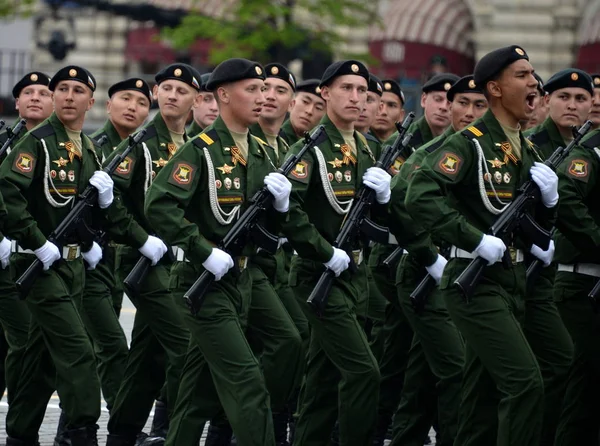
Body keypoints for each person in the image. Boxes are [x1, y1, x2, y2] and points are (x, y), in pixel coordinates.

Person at [405, 45, 557, 445]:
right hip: (476, 282)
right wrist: (473, 239)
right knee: (525, 384)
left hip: (514, 279)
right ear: (495, 88)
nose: (534, 82)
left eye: (533, 74)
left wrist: (551, 205)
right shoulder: (470, 143)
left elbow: (535, 221)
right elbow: (419, 194)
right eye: (522, 75)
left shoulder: (529, 147)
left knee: (482, 395)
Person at [144, 57, 298, 446]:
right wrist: (201, 249)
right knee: (247, 382)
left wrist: (281, 209)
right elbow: (159, 205)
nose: (263, 97)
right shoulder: (202, 150)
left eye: (265, 89)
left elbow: (272, 228)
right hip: (204, 282)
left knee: (199, 393)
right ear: (224, 95)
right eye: (253, 89)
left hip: (244, 279)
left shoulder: (262, 152)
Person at [0, 64, 114, 445]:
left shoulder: (90, 148)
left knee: (40, 358)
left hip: (72, 264)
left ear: (90, 101)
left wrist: (97, 224)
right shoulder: (37, 142)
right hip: (39, 263)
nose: (68, 96)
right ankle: (82, 431)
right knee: (78, 349)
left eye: (77, 90)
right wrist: (35, 240)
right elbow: (7, 195)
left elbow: (79, 211)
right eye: (61, 89)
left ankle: (20, 433)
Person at [282, 59, 390, 445]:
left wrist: (384, 199)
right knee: (364, 373)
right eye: (347, 88)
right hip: (318, 274)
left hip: (355, 276)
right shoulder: (311, 147)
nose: (356, 98)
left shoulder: (363, 146)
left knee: (324, 380)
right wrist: (322, 250)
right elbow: (287, 211)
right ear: (325, 93)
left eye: (362, 91)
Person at [382, 74, 487, 446]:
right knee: (457, 371)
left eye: (479, 105)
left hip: (470, 276)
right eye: (460, 103)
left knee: (424, 378)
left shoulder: (489, 152)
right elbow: (399, 200)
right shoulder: (433, 151)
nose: (467, 112)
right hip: (428, 274)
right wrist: (428, 254)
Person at [104, 64, 199, 445]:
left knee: (149, 355)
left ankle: (122, 433)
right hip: (146, 262)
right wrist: (140, 238)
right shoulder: (141, 142)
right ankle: (177, 433)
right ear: (157, 93)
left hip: (178, 262)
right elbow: (109, 199)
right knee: (186, 345)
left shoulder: (192, 145)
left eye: (182, 89)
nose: (173, 95)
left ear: (196, 99)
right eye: (167, 88)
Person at [523, 68, 593, 446]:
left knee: (568, 373)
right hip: (529, 272)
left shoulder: (587, 148)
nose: (572, 105)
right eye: (564, 97)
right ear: (547, 101)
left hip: (556, 274)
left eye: (580, 99)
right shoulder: (531, 145)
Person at [0, 71, 53, 410]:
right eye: (27, 92)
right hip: (6, 256)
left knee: (25, 340)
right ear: (17, 103)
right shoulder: (5, 142)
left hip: (38, 258)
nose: (35, 97)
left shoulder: (59, 149)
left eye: (43, 92)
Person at [553, 125, 600, 445]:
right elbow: (565, 195)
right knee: (586, 384)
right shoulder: (592, 151)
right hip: (582, 283)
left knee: (589, 390)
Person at [280, 79, 326, 144]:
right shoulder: (276, 140)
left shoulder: (321, 148)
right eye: (305, 102)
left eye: (318, 108)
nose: (309, 111)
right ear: (291, 104)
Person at [370, 79, 406, 144]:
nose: (384, 112)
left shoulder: (408, 148)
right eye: (379, 104)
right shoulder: (355, 141)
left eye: (391, 105)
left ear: (401, 115)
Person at [187, 72, 218, 137]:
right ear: (193, 101)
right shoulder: (180, 143)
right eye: (206, 99)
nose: (214, 108)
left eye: (219, 101)